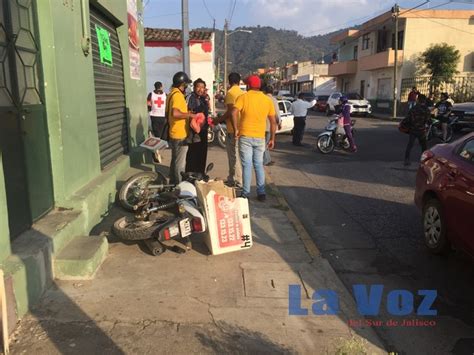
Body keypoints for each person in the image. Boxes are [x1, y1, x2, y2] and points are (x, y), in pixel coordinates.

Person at [232, 75, 276, 201]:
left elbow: (234, 112)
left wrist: (236, 129)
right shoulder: (267, 100)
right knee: (258, 164)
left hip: (245, 135)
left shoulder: (243, 97)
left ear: (248, 86)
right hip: (260, 137)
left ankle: (245, 193)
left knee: (247, 166)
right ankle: (261, 193)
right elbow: (273, 122)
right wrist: (272, 138)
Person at [215, 72, 244, 187]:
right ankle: (232, 178)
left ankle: (237, 181)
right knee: (236, 156)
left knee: (233, 156)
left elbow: (231, 112)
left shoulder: (231, 93)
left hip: (233, 129)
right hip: (241, 128)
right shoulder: (242, 93)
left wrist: (218, 120)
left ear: (229, 81)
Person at [167, 71, 197, 184]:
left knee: (175, 160)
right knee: (180, 163)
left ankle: (172, 183)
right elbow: (175, 113)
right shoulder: (178, 96)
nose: (186, 87)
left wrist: (187, 112)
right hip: (180, 134)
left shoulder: (171, 94)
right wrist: (190, 115)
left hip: (173, 132)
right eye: (186, 85)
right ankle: (179, 186)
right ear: (182, 84)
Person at [185, 78, 209, 174]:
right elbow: (189, 113)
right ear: (194, 88)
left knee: (202, 153)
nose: (200, 89)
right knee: (193, 154)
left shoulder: (203, 99)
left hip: (203, 131)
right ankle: (190, 175)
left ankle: (200, 174)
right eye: (198, 87)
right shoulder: (190, 98)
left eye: (202, 87)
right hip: (193, 132)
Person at [404, 94, 431, 166]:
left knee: (410, 145)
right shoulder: (426, 109)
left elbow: (407, 119)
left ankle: (406, 160)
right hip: (421, 130)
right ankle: (424, 161)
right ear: (424, 101)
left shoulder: (413, 108)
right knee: (424, 147)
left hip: (413, 130)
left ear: (418, 100)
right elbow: (429, 121)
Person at [263, 85, 281, 166]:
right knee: (266, 144)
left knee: (264, 144)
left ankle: (267, 159)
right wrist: (279, 123)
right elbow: (277, 114)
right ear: (272, 91)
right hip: (270, 126)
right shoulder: (273, 100)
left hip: (261, 125)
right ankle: (266, 161)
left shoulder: (262, 98)